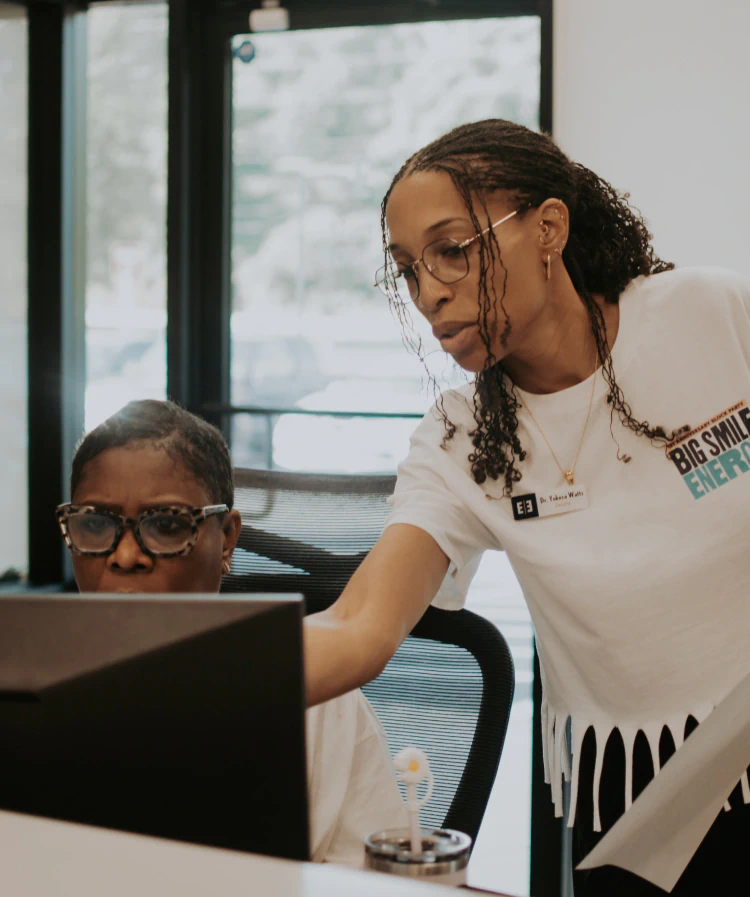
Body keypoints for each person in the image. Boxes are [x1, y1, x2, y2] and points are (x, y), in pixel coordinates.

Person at [303, 119, 750, 894]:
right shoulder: (461, 440)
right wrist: (174, 686)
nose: (430, 292)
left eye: (452, 249)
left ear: (548, 227)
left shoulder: (711, 313)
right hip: (641, 795)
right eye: (407, 271)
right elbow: (359, 626)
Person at [57, 399, 407, 867]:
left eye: (165, 525)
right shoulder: (29, 682)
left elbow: (382, 877)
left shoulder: (314, 689)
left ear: (226, 539)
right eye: (95, 523)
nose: (123, 556)